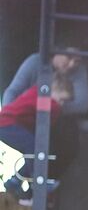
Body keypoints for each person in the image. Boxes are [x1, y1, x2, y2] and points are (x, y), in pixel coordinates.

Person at [1, 75, 74, 203]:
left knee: (32, 150)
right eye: (61, 99)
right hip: (8, 124)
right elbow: (46, 122)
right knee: (34, 148)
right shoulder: (50, 102)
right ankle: (37, 181)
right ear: (53, 89)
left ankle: (15, 181)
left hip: (7, 124)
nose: (61, 104)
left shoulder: (36, 93)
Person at [3, 50, 88, 115]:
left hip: (59, 120)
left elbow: (82, 104)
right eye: (69, 57)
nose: (71, 64)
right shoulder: (35, 62)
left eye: (77, 61)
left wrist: (50, 107)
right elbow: (12, 91)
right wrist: (7, 115)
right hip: (25, 116)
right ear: (57, 51)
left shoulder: (79, 70)